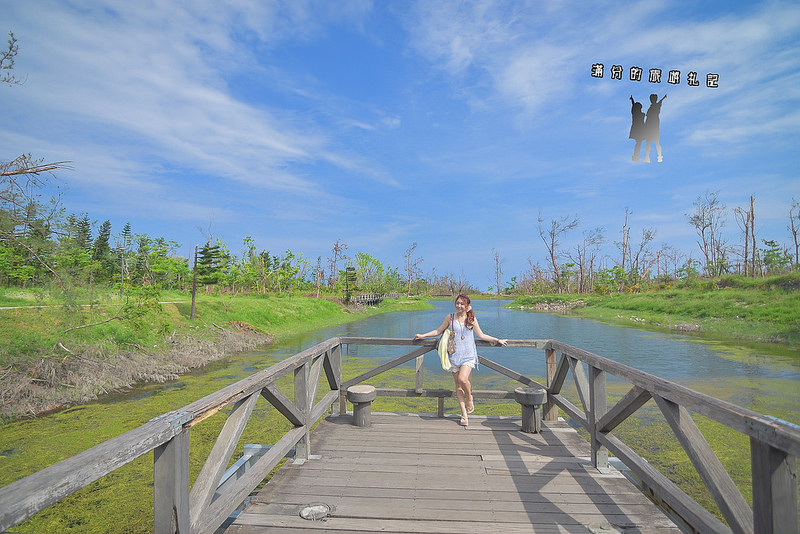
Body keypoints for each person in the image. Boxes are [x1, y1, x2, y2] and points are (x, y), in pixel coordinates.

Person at [414, 294, 508, 427]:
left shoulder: (471, 319)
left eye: (462, 304)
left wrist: (497, 340)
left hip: (468, 355)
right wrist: (422, 335)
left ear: (467, 306)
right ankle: (464, 414)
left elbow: (481, 335)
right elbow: (438, 331)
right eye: (457, 303)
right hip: (453, 356)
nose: (459, 306)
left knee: (463, 380)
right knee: (458, 386)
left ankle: (469, 398)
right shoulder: (450, 318)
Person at [643, 93, 667, 163]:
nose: (651, 100)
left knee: (656, 143)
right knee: (649, 142)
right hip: (650, 127)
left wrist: (664, 98)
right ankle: (647, 157)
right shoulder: (652, 106)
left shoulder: (656, 106)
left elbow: (660, 102)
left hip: (654, 128)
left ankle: (659, 156)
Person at [628, 95, 646, 162]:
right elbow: (633, 107)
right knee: (638, 143)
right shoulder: (636, 114)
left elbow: (634, 106)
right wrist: (632, 100)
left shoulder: (639, 113)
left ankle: (636, 156)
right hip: (637, 129)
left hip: (641, 129)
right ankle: (636, 156)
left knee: (639, 143)